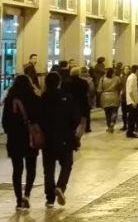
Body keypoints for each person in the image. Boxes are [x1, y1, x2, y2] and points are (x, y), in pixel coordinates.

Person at [40, 72, 80, 208]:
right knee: (67, 164)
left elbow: (39, 118)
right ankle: (60, 186)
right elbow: (75, 118)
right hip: (65, 137)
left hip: (48, 138)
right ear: (58, 82)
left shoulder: (43, 98)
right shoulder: (66, 97)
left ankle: (50, 199)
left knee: (48, 169)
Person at [2, 74, 42, 210]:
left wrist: (11, 131)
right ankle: (27, 194)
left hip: (15, 138)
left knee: (17, 170)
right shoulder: (34, 98)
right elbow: (39, 118)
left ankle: (19, 200)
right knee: (31, 168)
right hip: (30, 137)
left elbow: (5, 122)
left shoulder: (9, 100)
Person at [98, 68, 121, 133]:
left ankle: (109, 127)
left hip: (105, 97)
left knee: (107, 113)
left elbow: (99, 90)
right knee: (114, 111)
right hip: (115, 96)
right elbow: (120, 87)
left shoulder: (102, 79)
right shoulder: (117, 78)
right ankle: (112, 122)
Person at [69, 67, 91, 134]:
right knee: (85, 115)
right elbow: (87, 90)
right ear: (79, 73)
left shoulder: (67, 82)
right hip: (83, 100)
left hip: (72, 101)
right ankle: (87, 127)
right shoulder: (84, 82)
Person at [124, 65, 138, 138]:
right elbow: (130, 91)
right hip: (132, 101)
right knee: (132, 118)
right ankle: (130, 133)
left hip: (132, 100)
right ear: (136, 70)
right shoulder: (132, 77)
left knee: (132, 117)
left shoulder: (132, 77)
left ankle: (130, 132)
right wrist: (134, 101)